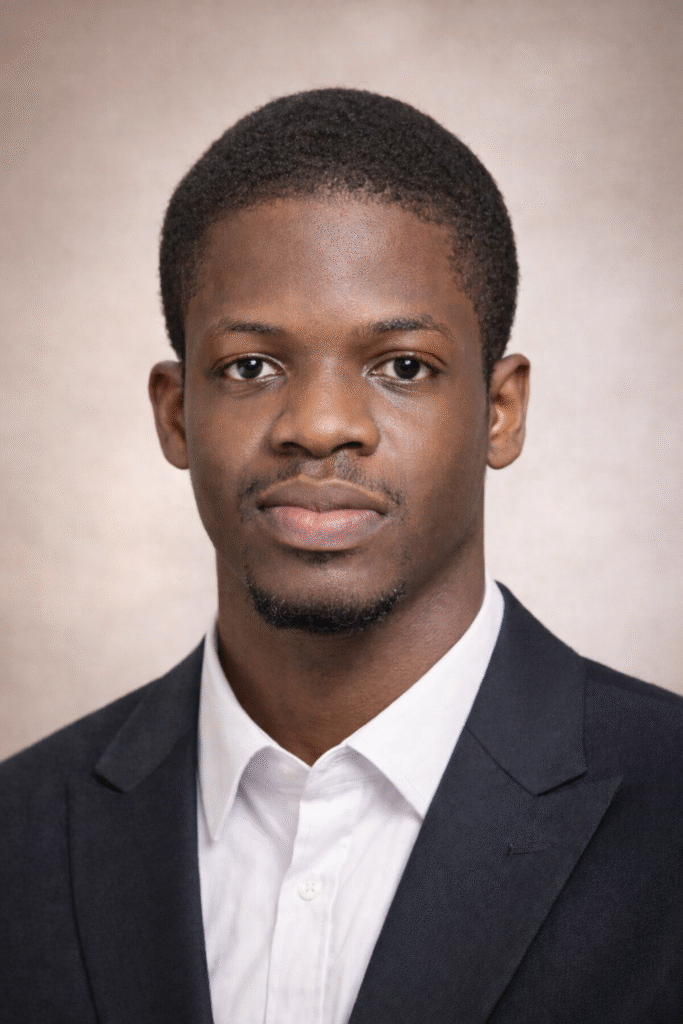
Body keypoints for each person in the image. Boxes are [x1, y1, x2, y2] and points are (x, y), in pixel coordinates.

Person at [1, 88, 682, 1024]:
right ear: (175, 413)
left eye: (402, 366)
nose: (320, 426)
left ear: (500, 410)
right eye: (251, 367)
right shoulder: (19, 834)